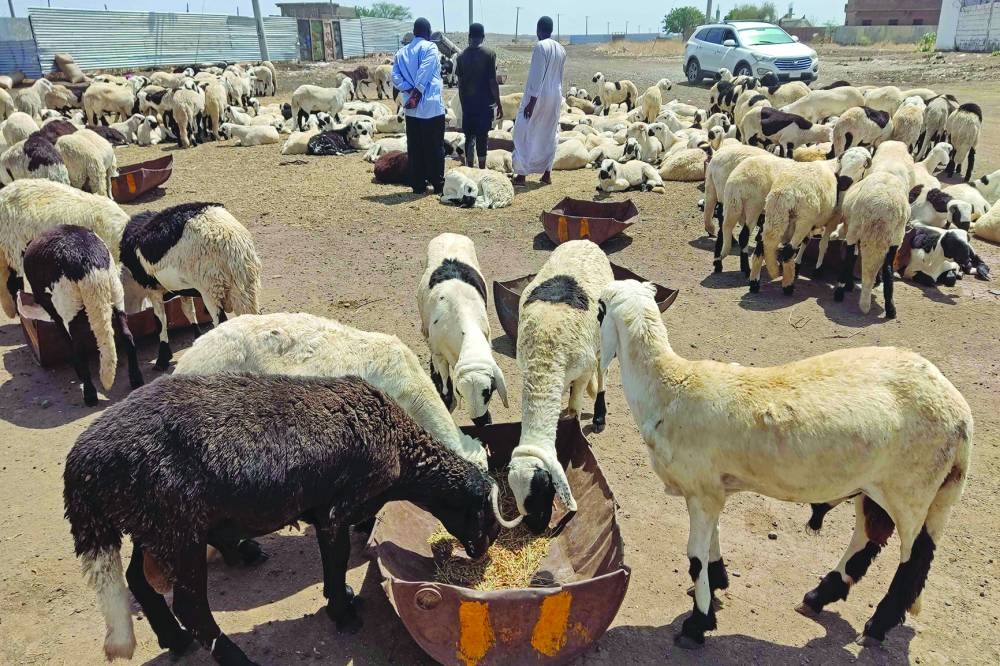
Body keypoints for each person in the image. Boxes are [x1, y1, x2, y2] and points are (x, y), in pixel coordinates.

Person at [391, 18, 446, 194]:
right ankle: (437, 182)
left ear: (414, 32)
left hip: (411, 108)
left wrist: (408, 89)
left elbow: (395, 77)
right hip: (430, 106)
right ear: (428, 32)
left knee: (415, 146)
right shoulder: (430, 48)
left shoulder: (401, 53)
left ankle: (418, 183)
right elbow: (426, 70)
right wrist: (418, 91)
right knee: (435, 145)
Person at [512, 16, 566, 186]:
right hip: (555, 95)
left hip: (539, 97)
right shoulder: (561, 49)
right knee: (549, 132)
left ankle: (521, 175)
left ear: (538, 30)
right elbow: (560, 77)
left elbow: (537, 75)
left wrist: (532, 102)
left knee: (523, 131)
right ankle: (546, 173)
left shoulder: (540, 47)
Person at [456, 22, 501, 169]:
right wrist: (498, 103)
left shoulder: (461, 56)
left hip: (468, 106)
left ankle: (469, 167)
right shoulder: (489, 55)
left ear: (469, 37)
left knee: (469, 137)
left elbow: (460, 84)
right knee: (482, 137)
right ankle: (481, 168)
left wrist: (463, 105)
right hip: (484, 106)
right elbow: (493, 82)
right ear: (483, 37)